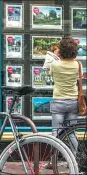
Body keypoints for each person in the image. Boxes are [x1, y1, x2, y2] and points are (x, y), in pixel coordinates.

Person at [46, 37, 83, 169]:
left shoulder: (55, 64)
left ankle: (53, 161)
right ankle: (72, 160)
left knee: (56, 132)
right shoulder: (78, 64)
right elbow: (79, 81)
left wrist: (56, 55)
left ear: (61, 50)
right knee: (72, 132)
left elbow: (50, 73)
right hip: (73, 101)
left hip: (59, 101)